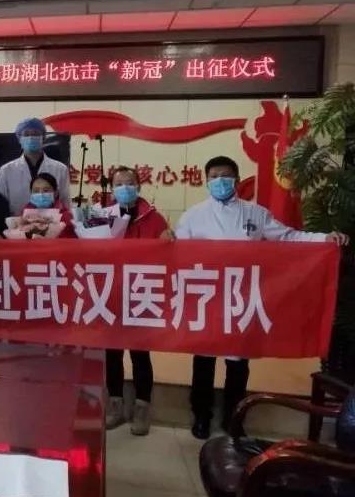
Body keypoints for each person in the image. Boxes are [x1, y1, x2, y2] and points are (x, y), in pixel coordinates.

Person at [176, 155, 350, 440]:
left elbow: (289, 237)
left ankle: (233, 418)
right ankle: (201, 416)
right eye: (214, 176)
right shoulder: (193, 216)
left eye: (225, 175)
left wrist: (323, 239)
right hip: (206, 298)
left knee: (237, 364)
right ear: (206, 181)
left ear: (236, 179)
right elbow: (176, 254)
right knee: (203, 361)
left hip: (242, 298)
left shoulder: (255, 213)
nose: (220, 181)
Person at [103, 166, 171, 437]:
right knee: (112, 352)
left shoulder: (154, 218)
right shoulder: (102, 216)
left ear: (139, 186)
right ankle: (115, 404)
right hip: (110, 292)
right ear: (112, 189)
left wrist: (169, 241)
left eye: (130, 183)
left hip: (142, 292)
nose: (125, 188)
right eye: (119, 184)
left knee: (140, 353)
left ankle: (143, 407)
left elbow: (168, 255)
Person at [0, 117, 71, 214]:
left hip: (53, 222)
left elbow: (66, 202)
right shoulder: (6, 170)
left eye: (35, 134)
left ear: (43, 137)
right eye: (26, 134)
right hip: (16, 222)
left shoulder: (60, 169)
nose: (31, 138)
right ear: (19, 139)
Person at [16, 172, 75, 238]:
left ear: (55, 193)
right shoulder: (25, 213)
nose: (41, 194)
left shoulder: (65, 215)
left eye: (46, 190)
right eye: (36, 191)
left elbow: (70, 238)